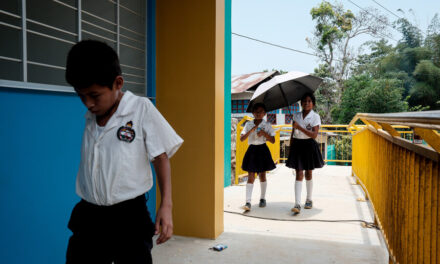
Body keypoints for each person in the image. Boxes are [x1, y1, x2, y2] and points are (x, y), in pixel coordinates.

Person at [65, 40, 183, 263]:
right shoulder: (92, 117)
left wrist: (166, 205)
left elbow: (160, 157)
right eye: (81, 96)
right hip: (89, 216)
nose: (88, 103)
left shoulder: (140, 109)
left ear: (117, 83)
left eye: (94, 95)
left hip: (129, 218)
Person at [286, 93, 324, 214]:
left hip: (309, 145)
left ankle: (309, 199)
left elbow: (314, 135)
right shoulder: (296, 115)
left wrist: (299, 127)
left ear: (313, 103)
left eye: (309, 101)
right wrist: (291, 147)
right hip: (297, 145)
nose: (306, 103)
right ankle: (297, 203)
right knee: (299, 172)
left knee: (308, 172)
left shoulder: (315, 117)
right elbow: (293, 133)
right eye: (304, 101)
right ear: (301, 103)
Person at [240, 103, 276, 211]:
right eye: (256, 111)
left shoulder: (267, 125)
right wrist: (251, 131)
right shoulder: (248, 124)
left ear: (264, 113)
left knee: (262, 175)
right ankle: (248, 202)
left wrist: (265, 134)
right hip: (252, 150)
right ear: (253, 113)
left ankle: (262, 198)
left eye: (261, 111)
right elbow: (242, 139)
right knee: (251, 175)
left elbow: (273, 140)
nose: (258, 113)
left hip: (262, 149)